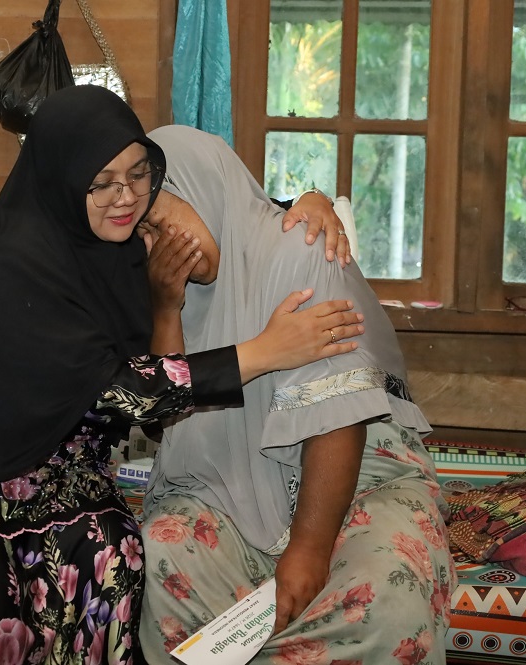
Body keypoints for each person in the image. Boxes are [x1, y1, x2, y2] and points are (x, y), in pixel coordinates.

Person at [0, 86, 364, 665]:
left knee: (115, 554)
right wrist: (264, 352)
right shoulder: (14, 264)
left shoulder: (117, 238)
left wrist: (309, 200)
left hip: (57, 467)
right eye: (101, 182)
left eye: (138, 174)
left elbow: (232, 211)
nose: (126, 198)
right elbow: (119, 390)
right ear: (64, 179)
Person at [137, 125, 455, 665]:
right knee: (162, 553)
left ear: (201, 189)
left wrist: (309, 547)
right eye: (142, 235)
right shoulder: (167, 285)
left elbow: (339, 415)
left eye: (158, 223)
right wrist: (167, 308)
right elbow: (167, 411)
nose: (153, 247)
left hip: (358, 479)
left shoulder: (303, 246)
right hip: (226, 484)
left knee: (387, 599)